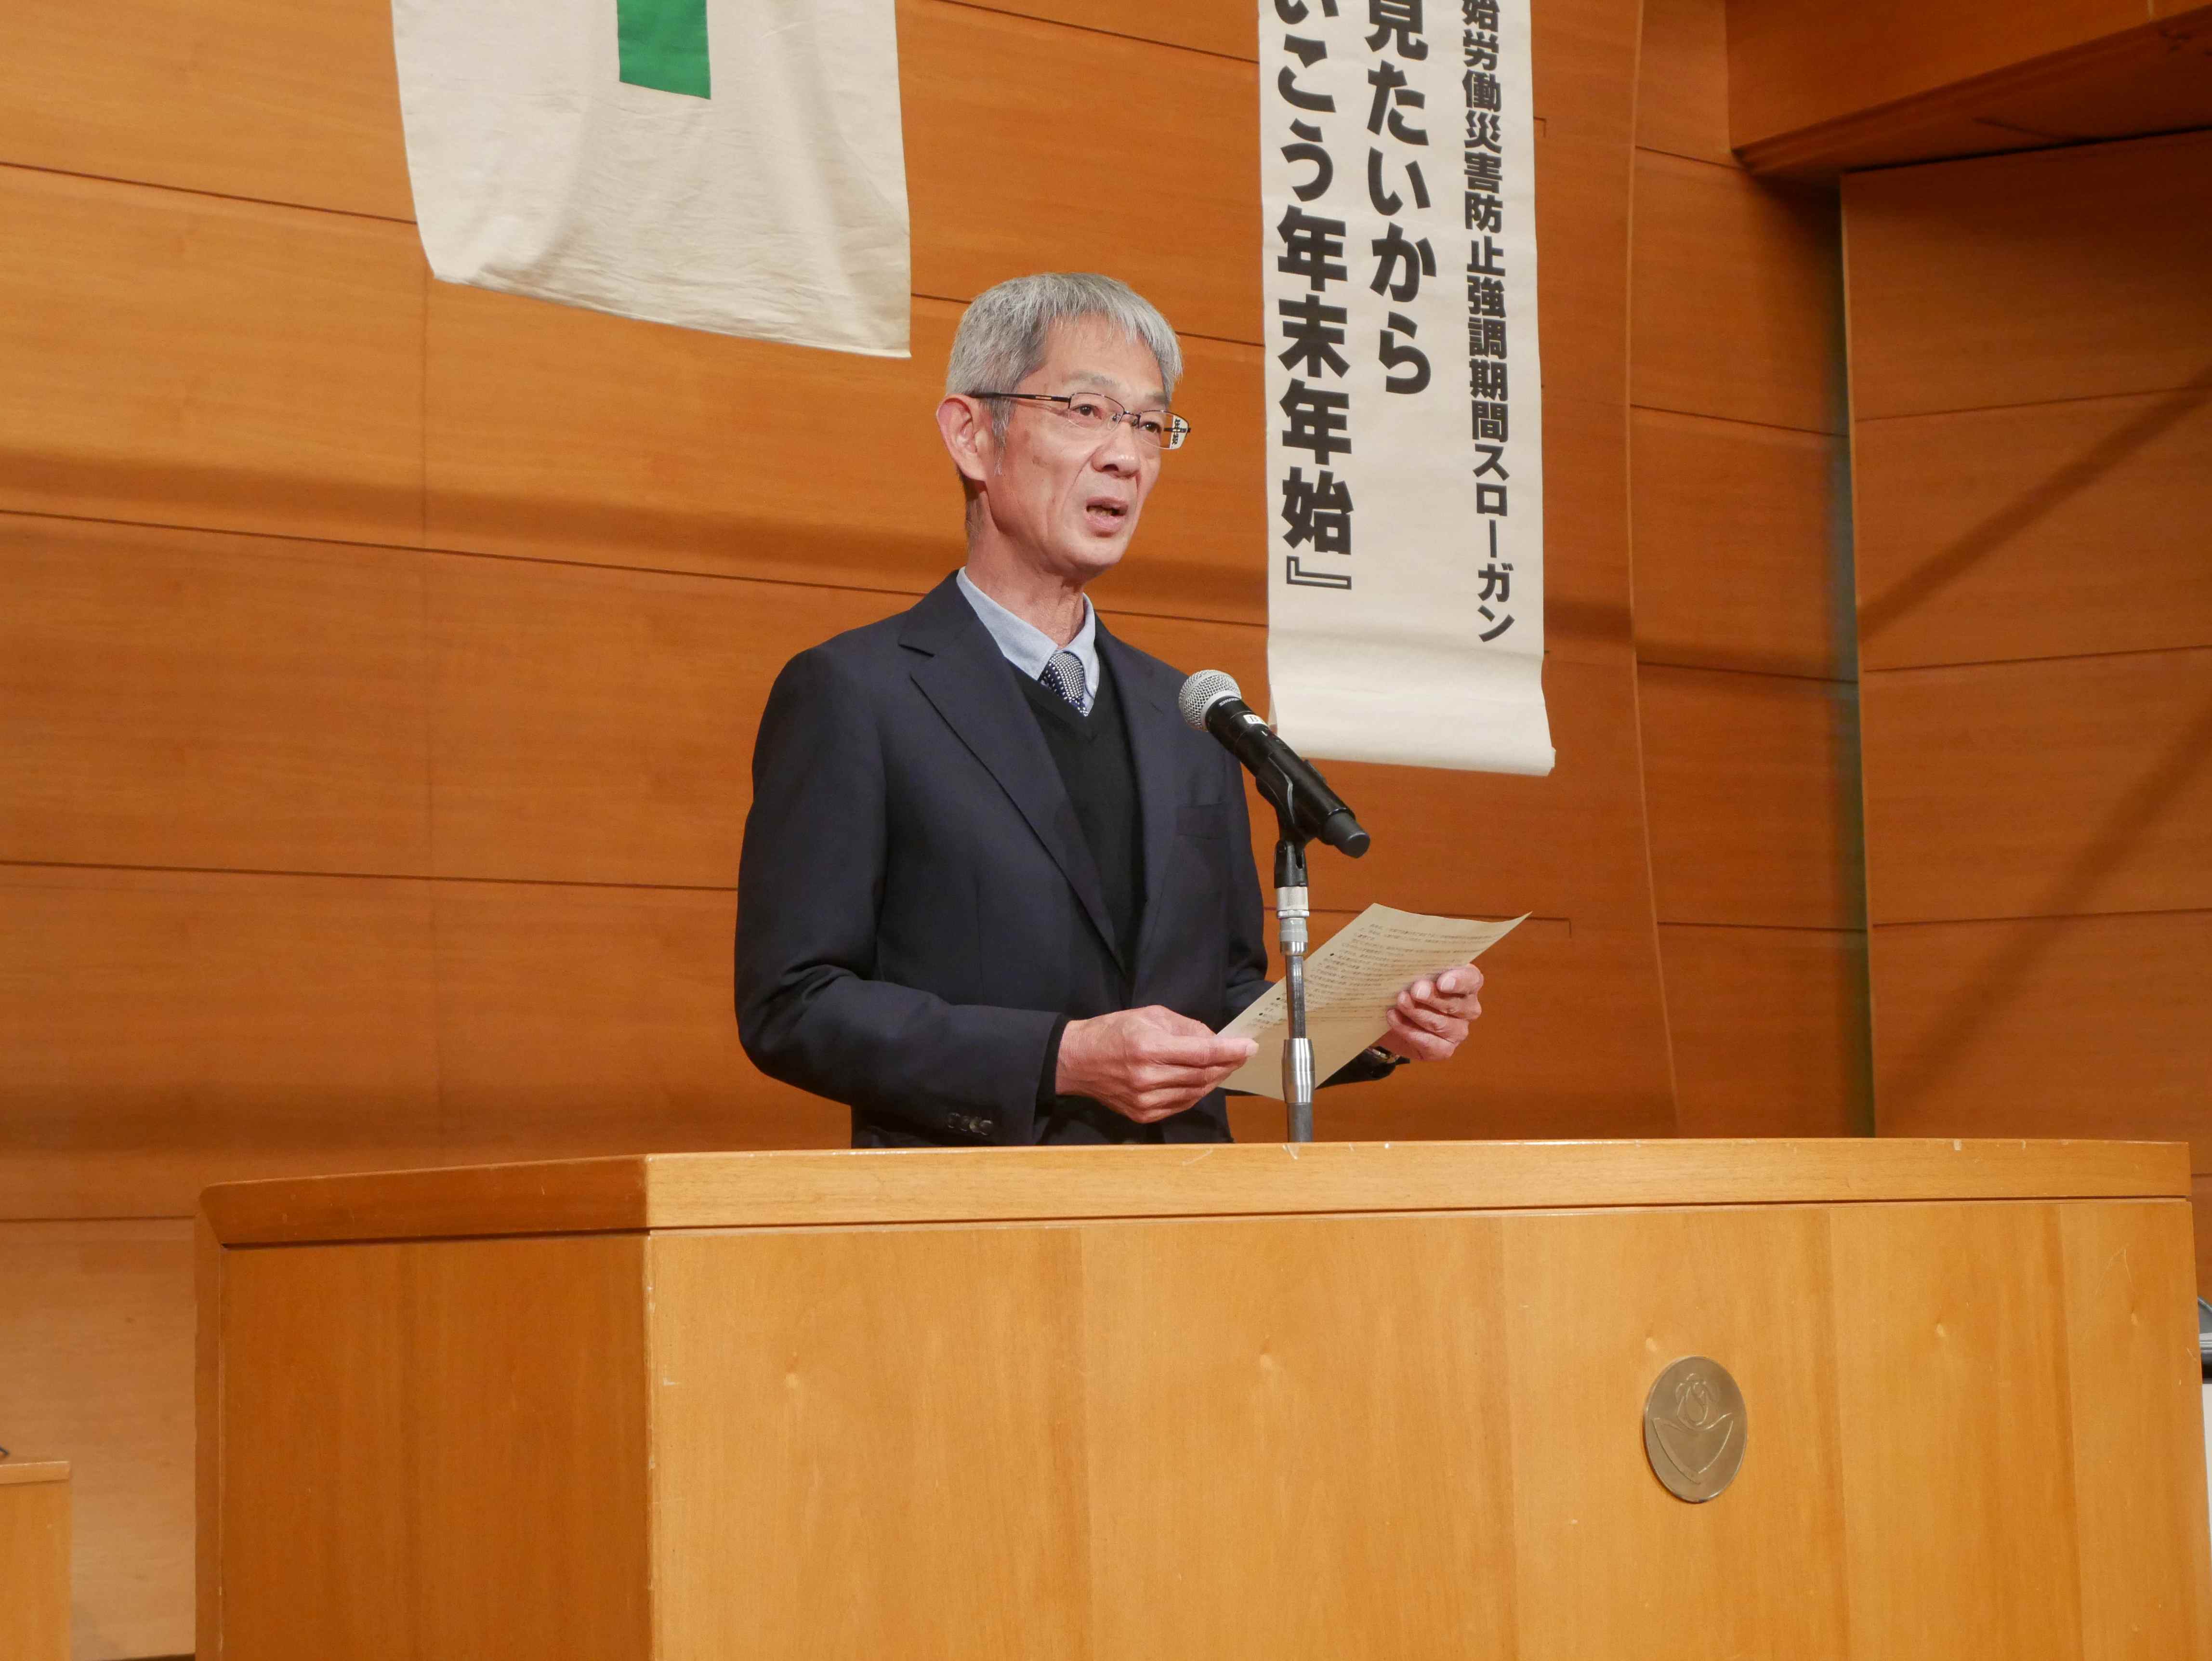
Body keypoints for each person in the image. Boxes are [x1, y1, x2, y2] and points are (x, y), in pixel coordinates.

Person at [735, 272, 1484, 1146]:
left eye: (1149, 424)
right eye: (1087, 412)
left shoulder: (1193, 715)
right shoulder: (857, 693)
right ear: (972, 435)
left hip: (1186, 1208)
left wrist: (1373, 1024)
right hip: (976, 1209)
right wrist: (1059, 1058)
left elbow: (1222, 1001)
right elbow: (794, 1003)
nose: (1126, 456)